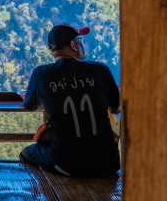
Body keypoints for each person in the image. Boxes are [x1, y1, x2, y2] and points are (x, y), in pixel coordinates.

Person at [20, 23, 120, 177]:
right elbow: (114, 107)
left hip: (66, 165)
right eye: (82, 40)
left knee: (26, 153)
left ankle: (48, 191)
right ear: (73, 44)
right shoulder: (101, 69)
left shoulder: (41, 74)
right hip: (108, 163)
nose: (84, 44)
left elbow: (29, 105)